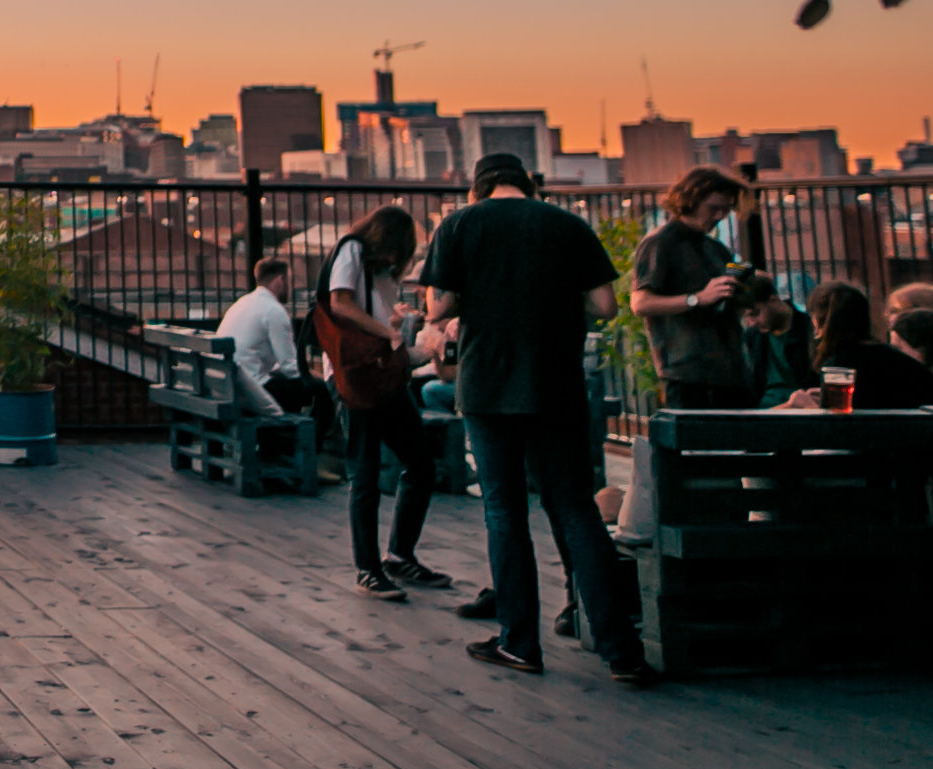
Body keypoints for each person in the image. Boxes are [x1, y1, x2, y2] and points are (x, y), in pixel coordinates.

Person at [421, 152, 653, 685]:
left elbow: (439, 309)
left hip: (489, 385)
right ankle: (622, 651)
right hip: (556, 383)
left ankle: (519, 643)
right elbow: (605, 305)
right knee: (575, 509)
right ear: (527, 184)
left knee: (504, 510)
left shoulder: (460, 224)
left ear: (478, 187)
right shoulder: (566, 223)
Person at [320, 206, 448, 600]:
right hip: (354, 377)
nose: (396, 258)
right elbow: (340, 303)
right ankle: (368, 568)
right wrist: (389, 335)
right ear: (383, 238)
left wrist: (397, 323)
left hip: (382, 376)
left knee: (420, 462)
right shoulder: (352, 250)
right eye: (396, 249)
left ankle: (398, 555)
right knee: (366, 475)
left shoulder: (378, 272)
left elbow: (371, 315)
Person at [631, 169, 756, 409]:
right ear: (691, 199)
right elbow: (641, 303)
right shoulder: (661, 242)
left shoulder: (715, 247)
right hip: (689, 373)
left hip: (730, 370)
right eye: (714, 208)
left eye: (726, 209)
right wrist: (696, 299)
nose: (719, 216)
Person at [775, 282, 933, 410]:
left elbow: (837, 430)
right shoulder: (897, 360)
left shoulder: (839, 367)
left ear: (817, 320)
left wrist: (806, 405)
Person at [215, 256, 319, 419]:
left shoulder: (242, 303)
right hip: (251, 389)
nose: (291, 287)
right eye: (290, 281)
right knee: (317, 391)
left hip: (227, 384)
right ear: (280, 280)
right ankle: (306, 441)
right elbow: (290, 368)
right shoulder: (274, 311)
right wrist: (319, 379)